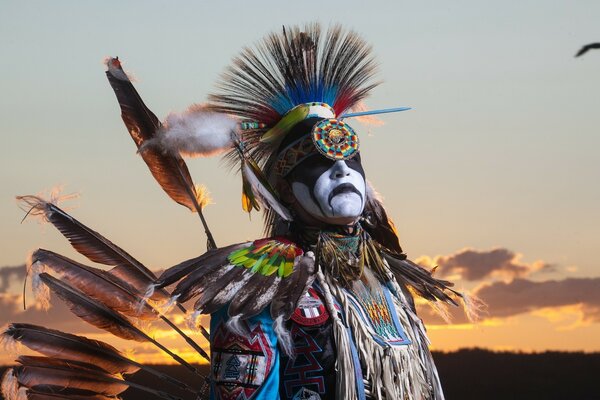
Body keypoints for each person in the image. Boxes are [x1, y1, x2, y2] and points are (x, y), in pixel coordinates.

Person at [2, 23, 474, 400]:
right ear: (283, 192)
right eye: (317, 165)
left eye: (350, 163)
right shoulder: (258, 280)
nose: (340, 173)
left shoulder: (391, 277)